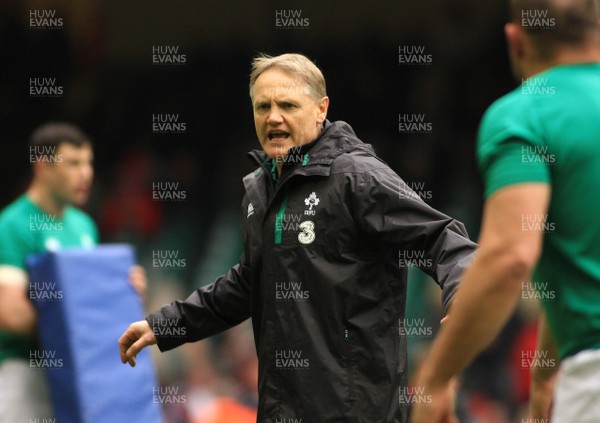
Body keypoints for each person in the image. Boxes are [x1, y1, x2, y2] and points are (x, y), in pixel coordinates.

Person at [119, 53, 477, 423]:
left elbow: (441, 237)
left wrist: (462, 287)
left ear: (321, 109)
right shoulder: (259, 190)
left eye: (287, 105)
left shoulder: (357, 177)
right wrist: (165, 325)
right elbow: (248, 284)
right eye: (263, 106)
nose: (273, 116)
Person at [410, 0, 600, 422]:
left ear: (515, 41)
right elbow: (581, 257)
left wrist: (436, 378)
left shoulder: (525, 114)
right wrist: (547, 371)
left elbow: (510, 257)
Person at [0, 122, 147, 422]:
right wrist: (83, 333)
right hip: (23, 371)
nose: (86, 174)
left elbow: (88, 298)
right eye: (74, 163)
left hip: (76, 371)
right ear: (43, 167)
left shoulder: (84, 226)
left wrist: (124, 291)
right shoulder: (11, 225)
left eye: (89, 163)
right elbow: (10, 312)